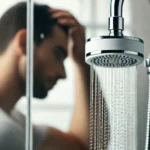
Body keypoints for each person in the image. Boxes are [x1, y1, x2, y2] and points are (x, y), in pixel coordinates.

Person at [0, 2, 90, 150]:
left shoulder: (16, 123)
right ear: (25, 43)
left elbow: (82, 145)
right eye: (58, 54)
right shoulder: (6, 133)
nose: (63, 74)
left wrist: (83, 63)